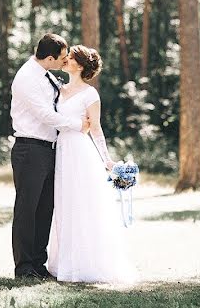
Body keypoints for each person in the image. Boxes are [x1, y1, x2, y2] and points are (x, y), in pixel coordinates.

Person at [46, 45, 137, 284]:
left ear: (80, 65)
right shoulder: (58, 88)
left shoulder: (90, 94)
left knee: (81, 205)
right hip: (60, 150)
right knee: (63, 205)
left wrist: (106, 159)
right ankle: (62, 263)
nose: (66, 59)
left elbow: (95, 129)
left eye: (71, 56)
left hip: (79, 151)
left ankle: (85, 264)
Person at [10, 33, 91, 280]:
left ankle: (38, 263)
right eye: (63, 57)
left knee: (45, 209)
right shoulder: (26, 78)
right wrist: (77, 124)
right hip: (30, 149)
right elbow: (46, 115)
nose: (65, 61)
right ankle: (24, 267)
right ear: (49, 57)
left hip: (49, 149)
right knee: (27, 209)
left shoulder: (47, 75)